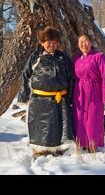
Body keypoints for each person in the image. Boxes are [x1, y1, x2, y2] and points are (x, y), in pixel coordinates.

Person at [18, 26, 74, 157]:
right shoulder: (35, 56)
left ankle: (58, 149)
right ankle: (40, 150)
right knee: (40, 127)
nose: (52, 44)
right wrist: (23, 96)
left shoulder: (63, 58)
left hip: (60, 100)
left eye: (54, 42)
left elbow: (71, 78)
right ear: (42, 42)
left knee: (58, 127)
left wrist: (70, 99)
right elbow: (26, 75)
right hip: (39, 100)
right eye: (49, 42)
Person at [72, 35, 105, 152]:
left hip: (94, 92)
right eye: (81, 42)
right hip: (79, 93)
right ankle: (82, 143)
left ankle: (92, 144)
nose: (83, 44)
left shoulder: (99, 57)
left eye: (86, 41)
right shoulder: (75, 59)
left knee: (93, 119)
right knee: (79, 118)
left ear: (91, 43)